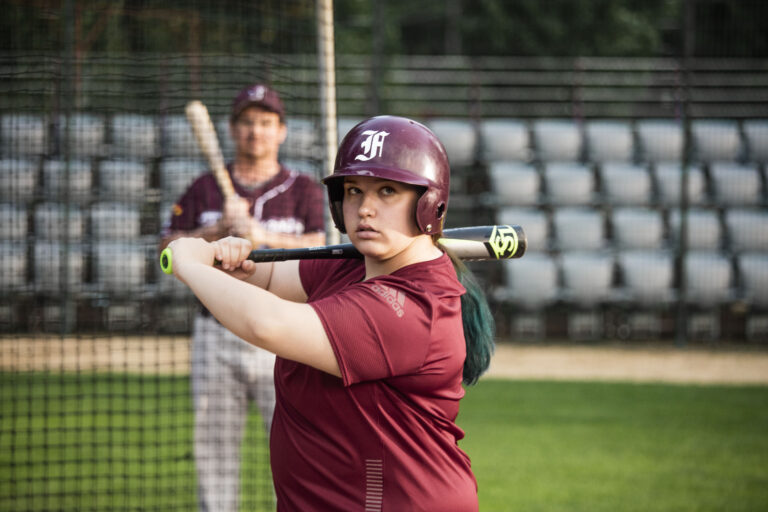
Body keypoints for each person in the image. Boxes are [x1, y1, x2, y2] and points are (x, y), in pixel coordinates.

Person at [163, 115, 495, 511]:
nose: (365, 208)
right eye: (354, 190)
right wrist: (229, 256)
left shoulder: (411, 307)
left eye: (386, 191)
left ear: (427, 203)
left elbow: (266, 324)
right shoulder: (353, 265)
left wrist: (191, 265)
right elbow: (267, 278)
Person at [159, 83, 326, 512]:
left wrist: (261, 235)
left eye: (266, 123)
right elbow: (168, 250)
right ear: (233, 130)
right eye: (248, 122)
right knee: (215, 451)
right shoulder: (203, 190)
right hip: (216, 335)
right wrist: (216, 231)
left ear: (282, 131)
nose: (257, 131)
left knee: (295, 448)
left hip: (287, 336)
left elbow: (322, 249)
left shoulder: (303, 188)